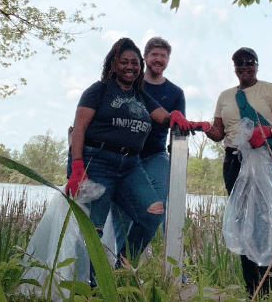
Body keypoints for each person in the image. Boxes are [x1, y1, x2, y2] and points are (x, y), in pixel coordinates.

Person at [66, 37, 194, 281]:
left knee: (153, 214)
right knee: (95, 229)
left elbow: (164, 118)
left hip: (130, 167)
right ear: (113, 65)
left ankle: (121, 270)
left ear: (140, 66)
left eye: (134, 63)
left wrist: (176, 116)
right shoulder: (99, 90)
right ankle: (91, 284)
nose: (130, 67)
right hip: (99, 162)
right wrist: (77, 165)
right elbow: (79, 128)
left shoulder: (141, 95)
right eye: (124, 62)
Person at [200, 47, 272, 298]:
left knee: (268, 221)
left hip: (267, 161)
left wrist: (265, 132)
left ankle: (270, 288)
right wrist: (203, 127)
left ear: (257, 64)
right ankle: (252, 289)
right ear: (234, 67)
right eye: (239, 63)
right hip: (235, 163)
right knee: (243, 223)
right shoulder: (226, 96)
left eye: (249, 62)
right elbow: (219, 134)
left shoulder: (270, 90)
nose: (244, 66)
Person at [110, 37, 187, 260]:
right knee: (121, 214)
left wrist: (180, 154)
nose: (158, 59)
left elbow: (177, 126)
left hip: (155, 155)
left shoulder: (175, 92)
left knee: (157, 207)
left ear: (168, 61)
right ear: (145, 58)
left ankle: (132, 260)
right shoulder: (129, 82)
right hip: (124, 156)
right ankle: (122, 266)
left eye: (163, 56)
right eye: (154, 54)